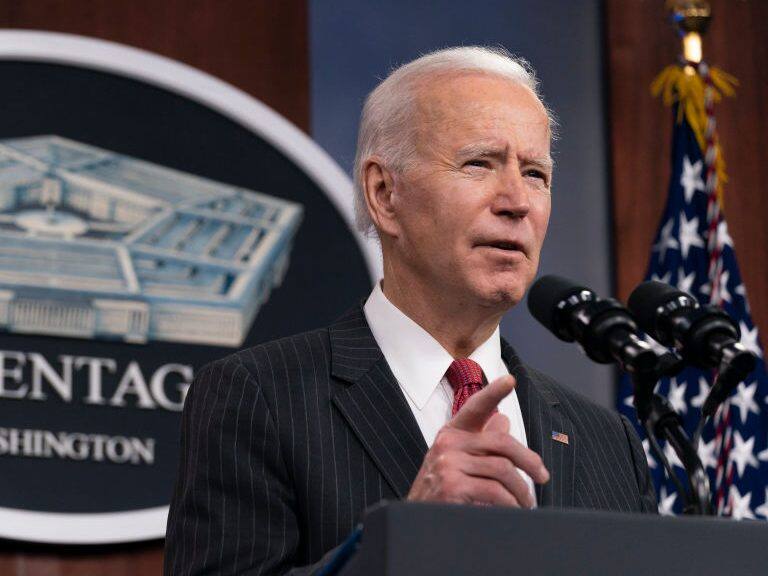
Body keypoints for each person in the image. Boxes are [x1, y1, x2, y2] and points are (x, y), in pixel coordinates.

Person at [164, 46, 656, 576]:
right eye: (478, 164)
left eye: (535, 173)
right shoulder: (258, 396)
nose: (517, 201)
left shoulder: (608, 442)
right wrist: (404, 540)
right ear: (384, 193)